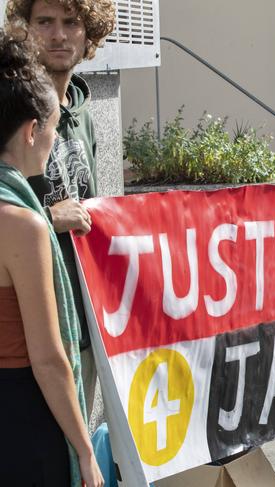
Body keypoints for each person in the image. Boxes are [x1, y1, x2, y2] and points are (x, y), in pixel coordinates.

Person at [0, 30, 102, 486]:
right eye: (55, 124)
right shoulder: (23, 224)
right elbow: (48, 359)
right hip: (22, 413)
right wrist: (84, 452)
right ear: (30, 130)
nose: (57, 135)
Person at [5, 0, 116, 414]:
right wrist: (50, 218)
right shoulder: (8, 109)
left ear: (89, 34)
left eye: (71, 23)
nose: (58, 35)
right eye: (45, 22)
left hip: (83, 317)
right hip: (25, 333)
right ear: (25, 28)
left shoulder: (82, 113)